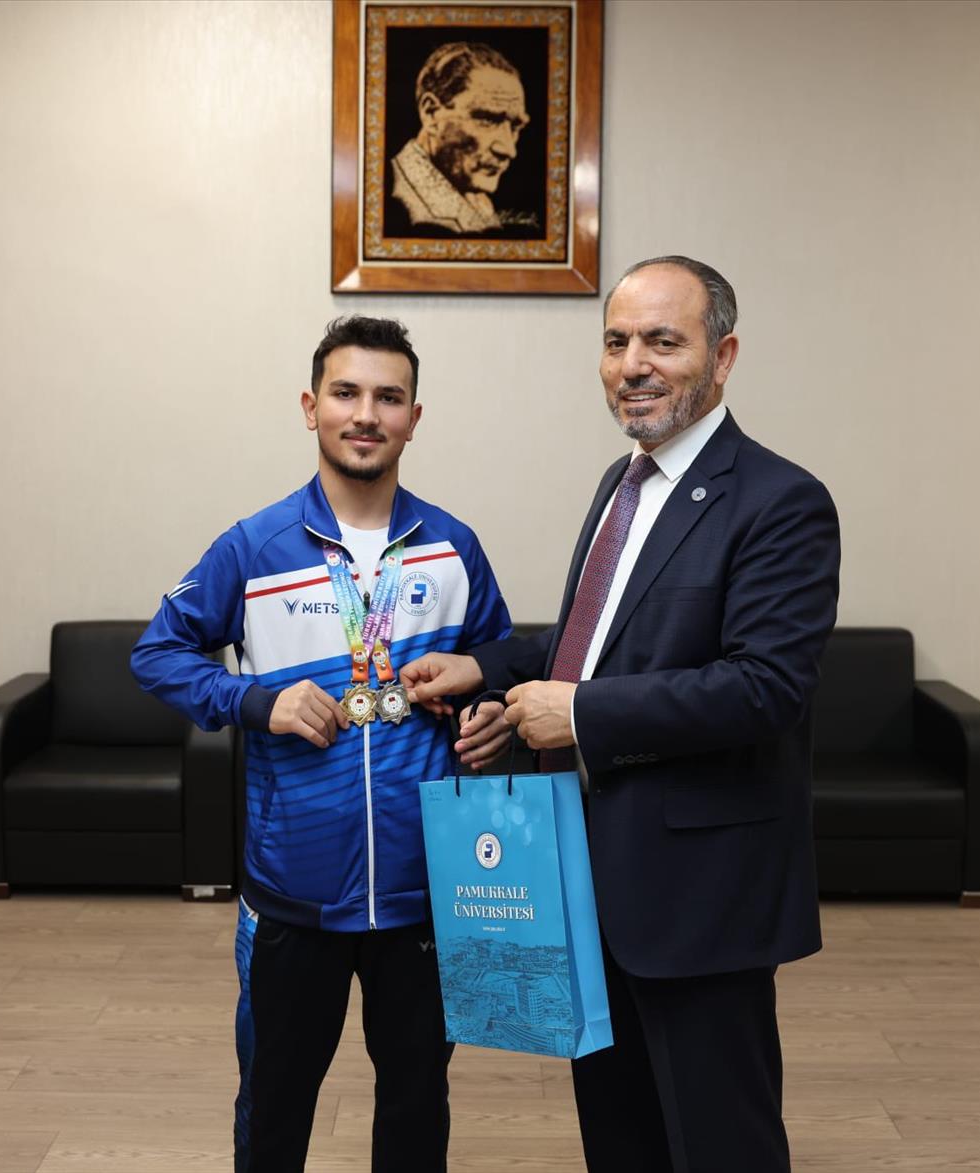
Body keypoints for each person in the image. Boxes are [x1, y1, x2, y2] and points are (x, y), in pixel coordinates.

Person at [401, 256, 840, 1172]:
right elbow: (594, 638)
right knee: (619, 1135)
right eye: (617, 341)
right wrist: (488, 666)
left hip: (698, 897)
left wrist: (583, 715)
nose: (633, 363)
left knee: (721, 1143)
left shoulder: (782, 501)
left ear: (723, 357)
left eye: (662, 341)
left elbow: (765, 686)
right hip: (588, 878)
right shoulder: (622, 482)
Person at [132, 315, 514, 1173]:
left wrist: (487, 703)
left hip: (424, 894)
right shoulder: (255, 546)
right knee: (275, 1106)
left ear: (415, 417)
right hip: (292, 895)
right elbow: (156, 653)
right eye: (346, 393)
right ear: (311, 407)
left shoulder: (454, 547)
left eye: (388, 397)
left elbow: (497, 661)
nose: (366, 414)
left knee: (417, 1103)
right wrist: (255, 700)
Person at [388, 41, 532, 236]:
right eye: (488, 120)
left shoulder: (475, 198)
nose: (509, 150)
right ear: (431, 113)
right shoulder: (397, 205)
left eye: (515, 127)